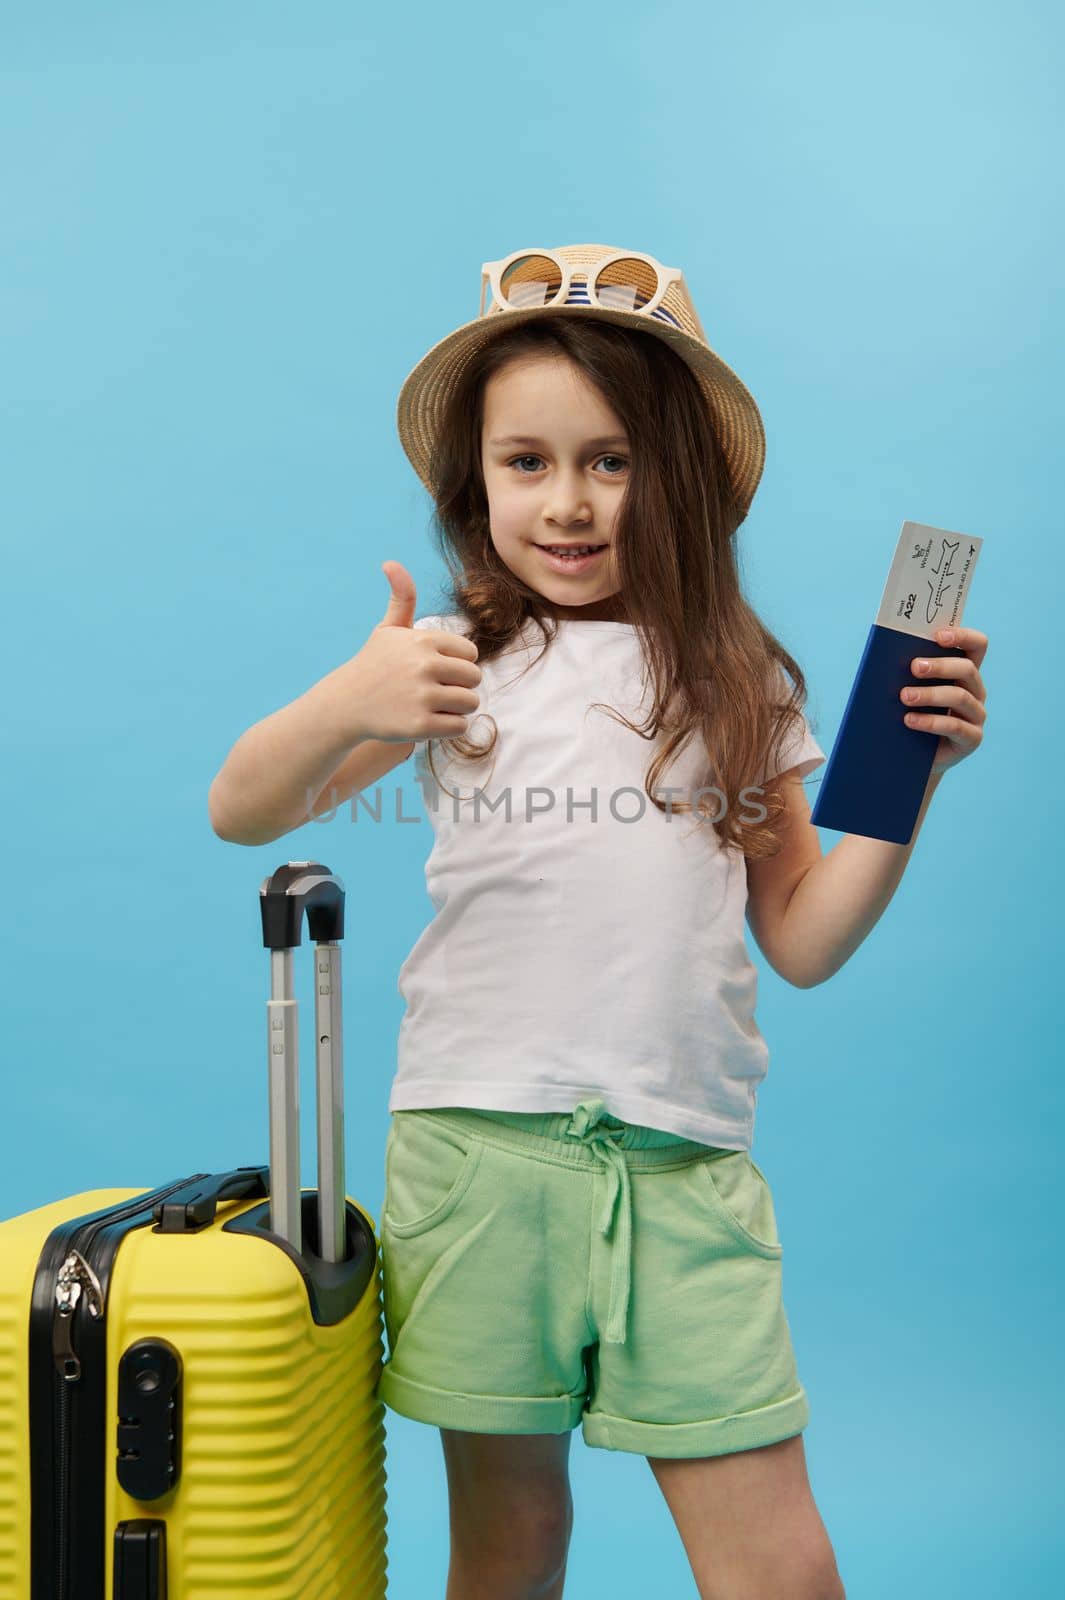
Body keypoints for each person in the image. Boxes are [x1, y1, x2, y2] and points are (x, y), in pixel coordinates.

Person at [208, 244, 989, 1600]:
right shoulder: (450, 667)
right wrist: (353, 696)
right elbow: (243, 809)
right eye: (526, 462)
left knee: (776, 1568)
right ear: (477, 482)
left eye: (611, 461)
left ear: (677, 475)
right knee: (511, 1545)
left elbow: (800, 939)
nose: (566, 504)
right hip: (473, 1158)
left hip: (680, 1172)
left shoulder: (734, 678)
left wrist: (901, 788)